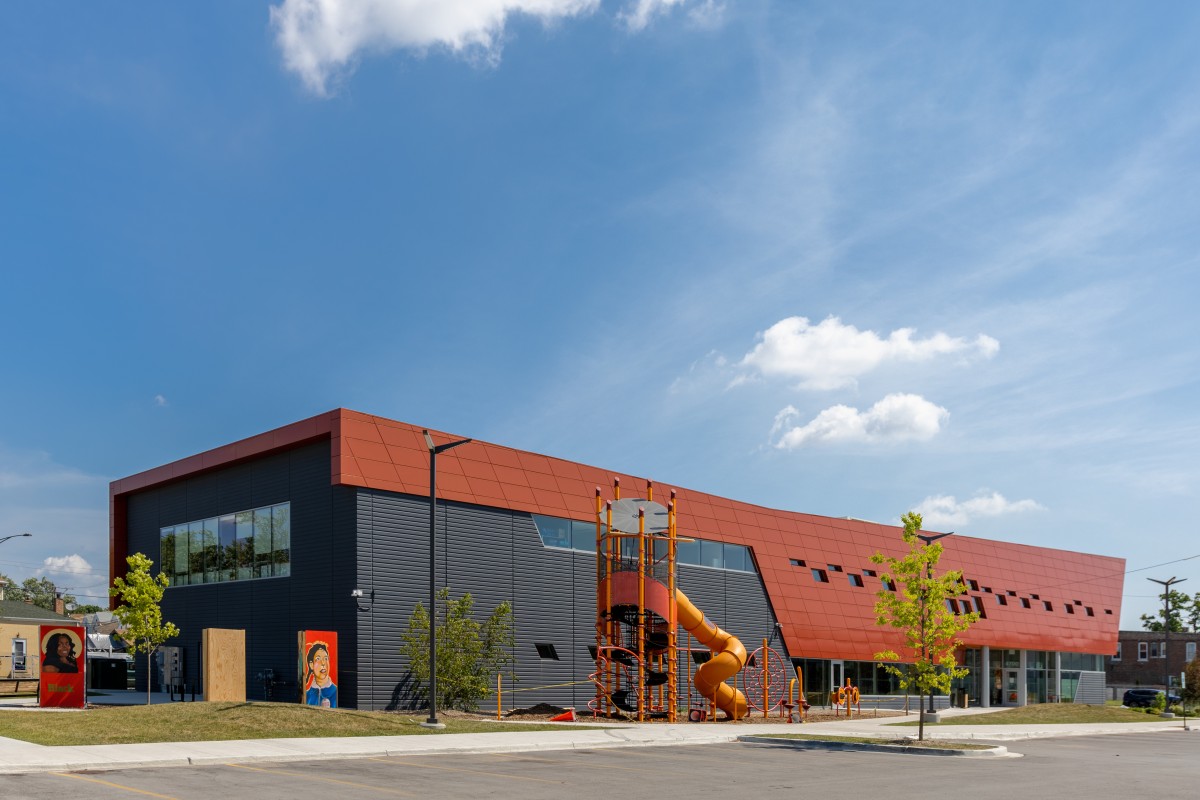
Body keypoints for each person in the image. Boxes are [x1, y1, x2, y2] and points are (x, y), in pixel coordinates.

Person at [303, 641, 337, 708]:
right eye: (318, 659)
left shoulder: (335, 692)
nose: (323, 663)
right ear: (311, 665)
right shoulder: (307, 695)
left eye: (326, 658)